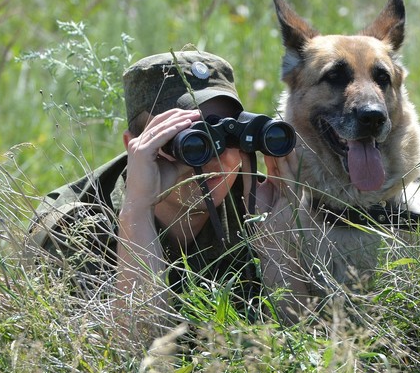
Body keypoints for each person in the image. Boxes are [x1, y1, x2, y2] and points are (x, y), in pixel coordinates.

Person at [30, 50, 262, 323]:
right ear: (134, 147)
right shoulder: (75, 229)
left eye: (226, 134)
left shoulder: (255, 204)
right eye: (192, 140)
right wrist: (137, 209)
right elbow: (134, 349)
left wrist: (275, 230)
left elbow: (297, 336)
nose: (216, 157)